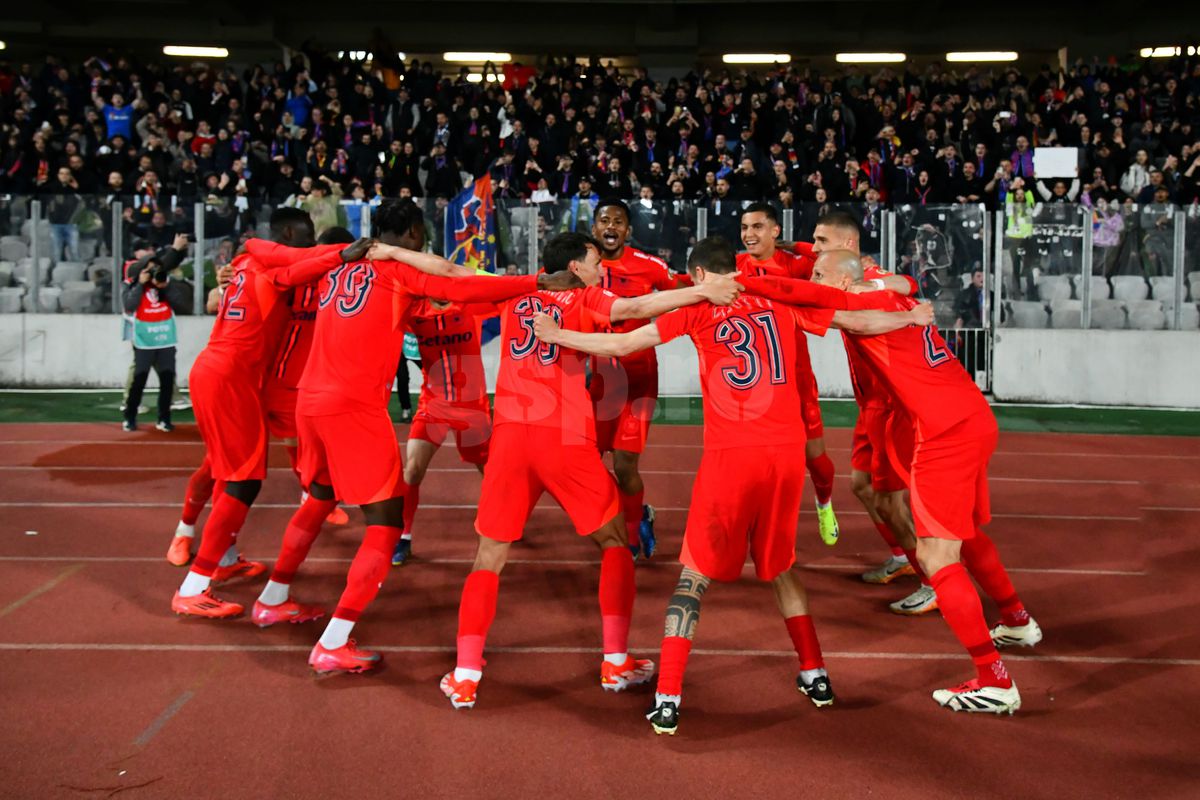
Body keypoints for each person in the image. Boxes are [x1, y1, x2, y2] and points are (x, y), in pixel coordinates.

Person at [530, 237, 929, 734]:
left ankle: (668, 695)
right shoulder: (779, 300)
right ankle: (816, 673)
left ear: (699, 275)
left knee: (693, 576)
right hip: (785, 455)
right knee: (782, 568)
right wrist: (911, 316)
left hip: (732, 456)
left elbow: (622, 343)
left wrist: (558, 335)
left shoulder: (698, 309)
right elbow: (857, 321)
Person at [245, 199, 583, 673]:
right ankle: (334, 641)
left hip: (310, 401)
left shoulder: (335, 265)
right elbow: (458, 283)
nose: (422, 241)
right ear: (409, 234)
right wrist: (539, 282)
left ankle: (272, 598)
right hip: (354, 408)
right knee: (385, 523)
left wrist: (254, 252)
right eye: (420, 233)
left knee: (319, 498)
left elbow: (269, 255)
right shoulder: (400, 272)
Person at [437, 232, 742, 710]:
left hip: (510, 437)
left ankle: (465, 674)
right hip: (564, 438)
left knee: (489, 555)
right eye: (596, 262)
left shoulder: (515, 292)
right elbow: (637, 308)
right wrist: (704, 291)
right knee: (615, 540)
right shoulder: (585, 296)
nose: (602, 269)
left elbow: (455, 278)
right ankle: (615, 662)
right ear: (577, 267)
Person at [757, 250, 1043, 714]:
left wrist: (740, 284)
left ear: (845, 278)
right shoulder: (888, 292)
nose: (813, 278)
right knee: (965, 533)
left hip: (942, 433)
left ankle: (994, 680)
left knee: (935, 555)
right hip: (971, 416)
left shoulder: (860, 301)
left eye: (820, 271)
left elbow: (800, 296)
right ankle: (1016, 619)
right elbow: (901, 286)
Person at [169, 209, 369, 619]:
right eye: (306, 238)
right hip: (233, 378)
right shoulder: (273, 267)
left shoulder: (248, 261)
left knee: (229, 472)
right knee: (240, 479)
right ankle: (193, 582)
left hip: (235, 375)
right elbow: (294, 266)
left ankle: (222, 558)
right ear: (290, 235)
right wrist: (343, 254)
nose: (309, 246)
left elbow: (240, 276)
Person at [805, 211, 931, 614]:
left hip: (891, 404)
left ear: (847, 245)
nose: (814, 249)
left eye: (821, 241)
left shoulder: (870, 281)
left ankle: (934, 580)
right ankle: (902, 555)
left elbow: (907, 284)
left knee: (892, 499)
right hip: (868, 405)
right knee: (862, 486)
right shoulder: (841, 272)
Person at [734, 202, 839, 545]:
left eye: (757, 227)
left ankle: (824, 503)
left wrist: (793, 245)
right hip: (752, 381)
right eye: (745, 228)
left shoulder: (796, 265)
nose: (749, 234)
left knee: (816, 459)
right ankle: (758, 520)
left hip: (796, 376)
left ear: (775, 230)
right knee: (754, 459)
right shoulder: (734, 266)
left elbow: (831, 255)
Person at [589, 199, 685, 558]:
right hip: (597, 382)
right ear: (595, 228)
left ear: (628, 230)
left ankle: (632, 531)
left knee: (625, 465)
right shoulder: (581, 265)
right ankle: (631, 510)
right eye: (604, 221)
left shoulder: (649, 266)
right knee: (583, 462)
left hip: (638, 379)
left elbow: (684, 289)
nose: (611, 227)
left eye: (618, 222)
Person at [390, 297, 497, 566]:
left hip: (472, 408)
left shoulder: (471, 306)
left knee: (490, 472)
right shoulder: (414, 312)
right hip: (433, 406)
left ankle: (503, 519)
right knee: (412, 470)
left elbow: (503, 293)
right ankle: (403, 536)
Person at [121, 242, 193, 432]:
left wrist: (165, 287)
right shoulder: (131, 285)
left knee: (167, 380)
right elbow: (129, 305)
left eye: (156, 269)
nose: (154, 273)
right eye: (149, 270)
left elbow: (183, 305)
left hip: (165, 339)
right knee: (139, 379)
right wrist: (141, 284)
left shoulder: (165, 284)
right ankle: (130, 416)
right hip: (144, 340)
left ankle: (164, 418)